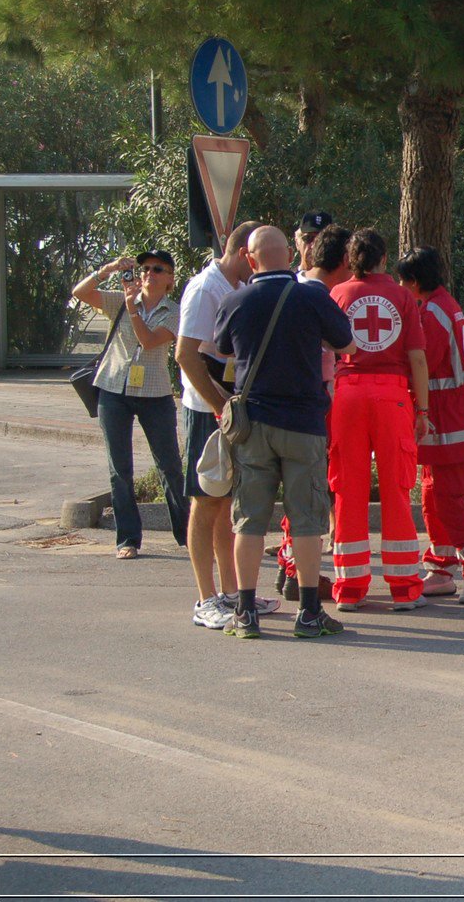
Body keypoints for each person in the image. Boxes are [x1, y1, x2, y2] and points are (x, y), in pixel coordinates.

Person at [213, 226, 355, 637]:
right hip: (304, 423)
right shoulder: (312, 297)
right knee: (307, 518)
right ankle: (309, 612)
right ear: (291, 259)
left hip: (253, 425)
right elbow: (346, 344)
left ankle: (245, 612)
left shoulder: (235, 300)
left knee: (249, 520)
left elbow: (222, 348)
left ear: (250, 259)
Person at [173, 221, 279, 630]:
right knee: (205, 500)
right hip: (206, 410)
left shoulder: (233, 286)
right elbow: (185, 355)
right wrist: (220, 406)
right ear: (242, 254)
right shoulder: (205, 289)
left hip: (229, 410)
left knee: (225, 503)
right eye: (254, 260)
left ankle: (233, 593)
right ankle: (205, 599)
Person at [329, 228, 432, 610]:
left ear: (350, 260)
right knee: (396, 487)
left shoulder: (338, 295)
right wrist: (422, 410)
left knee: (347, 488)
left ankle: (350, 589)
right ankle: (404, 588)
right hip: (392, 396)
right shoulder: (403, 297)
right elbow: (418, 359)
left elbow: (327, 353)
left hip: (348, 395)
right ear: (384, 258)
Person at [70, 250, 189, 561]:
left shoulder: (174, 311)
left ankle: (188, 535)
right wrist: (108, 269)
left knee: (170, 467)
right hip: (113, 389)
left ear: (170, 279)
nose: (149, 273)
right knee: (119, 470)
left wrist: (132, 310)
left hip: (155, 394)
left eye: (158, 269)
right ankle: (128, 539)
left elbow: (150, 341)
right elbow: (80, 292)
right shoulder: (122, 298)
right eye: (145, 268)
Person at [396, 246, 464, 605]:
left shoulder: (432, 314)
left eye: (402, 280)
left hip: (448, 416)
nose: (399, 286)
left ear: (414, 281)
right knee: (431, 492)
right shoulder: (440, 305)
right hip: (447, 413)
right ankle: (441, 567)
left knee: (447, 496)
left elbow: (421, 362)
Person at [274, 224, 354, 601]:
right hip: (313, 399)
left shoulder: (299, 289)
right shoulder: (310, 293)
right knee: (306, 489)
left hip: (306, 398)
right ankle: (295, 572)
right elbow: (346, 344)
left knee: (303, 488)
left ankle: (289, 567)